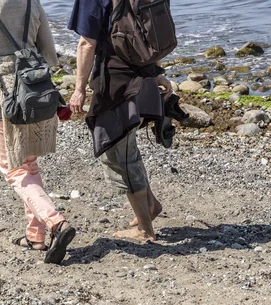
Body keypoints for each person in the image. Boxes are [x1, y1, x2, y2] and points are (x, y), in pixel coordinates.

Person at [0, 0, 75, 264]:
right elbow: (48, 48)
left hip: (5, 94)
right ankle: (35, 236)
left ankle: (56, 223)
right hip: (38, 89)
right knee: (29, 164)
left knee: (12, 168)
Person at [68, 0, 173, 242]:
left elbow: (87, 43)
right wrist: (157, 71)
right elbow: (148, 31)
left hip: (115, 83)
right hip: (143, 75)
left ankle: (145, 229)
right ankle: (151, 205)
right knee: (127, 145)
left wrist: (79, 88)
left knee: (117, 151)